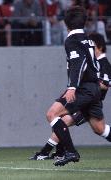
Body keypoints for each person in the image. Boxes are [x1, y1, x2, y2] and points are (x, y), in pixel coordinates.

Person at [30, 32, 111, 161]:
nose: (90, 49)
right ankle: (59, 152)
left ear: (100, 47)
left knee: (62, 119)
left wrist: (89, 82)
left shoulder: (103, 63)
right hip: (87, 98)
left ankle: (47, 152)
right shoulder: (94, 61)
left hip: (88, 99)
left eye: (93, 46)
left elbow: (106, 84)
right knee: (99, 129)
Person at [44, 6, 103, 166]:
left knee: (52, 114)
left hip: (83, 89)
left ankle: (71, 152)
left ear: (66, 23)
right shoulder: (88, 39)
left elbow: (79, 63)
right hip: (94, 88)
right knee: (100, 129)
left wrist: (72, 87)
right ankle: (65, 151)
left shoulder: (72, 40)